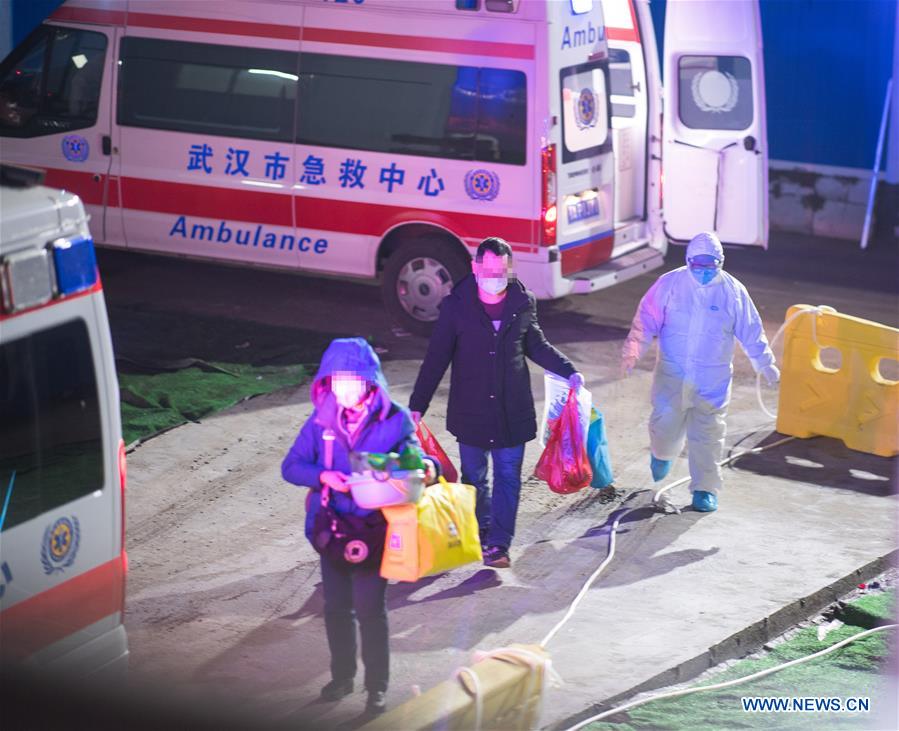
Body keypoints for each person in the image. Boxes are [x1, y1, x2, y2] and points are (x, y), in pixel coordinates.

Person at [409, 237, 584, 569]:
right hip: (470, 411)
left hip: (512, 411)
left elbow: (536, 345)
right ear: (475, 268)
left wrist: (568, 371)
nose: (495, 277)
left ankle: (499, 544)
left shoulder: (522, 302)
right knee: (474, 477)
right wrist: (418, 404)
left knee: (508, 478)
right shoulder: (456, 306)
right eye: (489, 270)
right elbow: (436, 358)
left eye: (501, 270)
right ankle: (483, 529)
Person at [281, 337, 426, 716]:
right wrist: (323, 476)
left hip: (374, 529)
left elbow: (418, 462)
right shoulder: (320, 420)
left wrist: (419, 467)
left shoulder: (395, 419)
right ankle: (342, 677)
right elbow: (291, 466)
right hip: (331, 530)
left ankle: (376, 688)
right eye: (336, 381)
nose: (343, 389)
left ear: (369, 382)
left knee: (370, 611)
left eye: (351, 380)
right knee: (335, 609)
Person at [621, 231, 780, 512]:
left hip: (712, 378)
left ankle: (705, 489)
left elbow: (751, 330)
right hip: (672, 373)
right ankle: (662, 454)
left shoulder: (732, 291)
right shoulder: (670, 284)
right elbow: (646, 319)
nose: (704, 271)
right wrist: (633, 350)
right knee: (665, 422)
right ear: (688, 261)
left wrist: (765, 363)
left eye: (710, 266)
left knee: (709, 433)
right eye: (698, 265)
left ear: (720, 262)